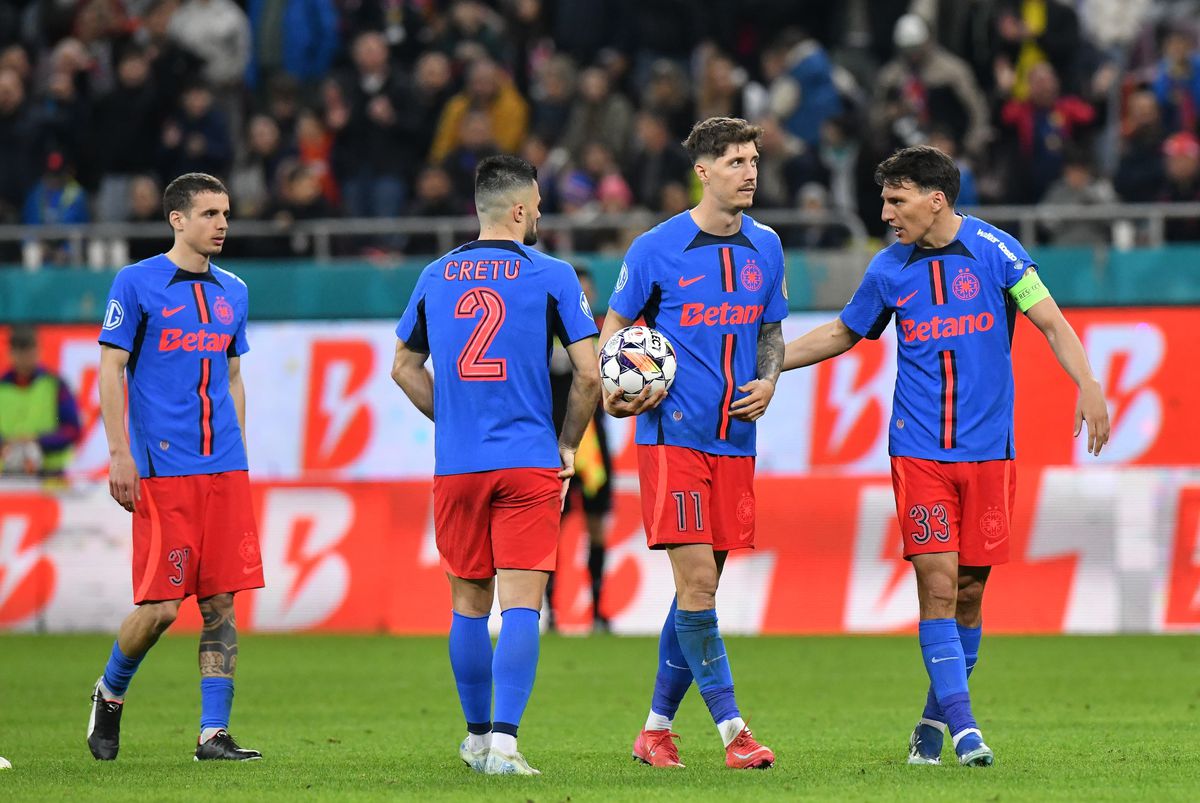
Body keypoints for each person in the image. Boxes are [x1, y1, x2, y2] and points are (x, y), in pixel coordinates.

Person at [781, 145, 1110, 766]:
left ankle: (932, 724)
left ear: (937, 199)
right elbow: (842, 333)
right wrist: (770, 363)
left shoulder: (997, 252)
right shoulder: (887, 269)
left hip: (989, 452)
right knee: (935, 582)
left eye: (896, 199)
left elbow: (1052, 323)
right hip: (919, 451)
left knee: (968, 592)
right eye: (884, 201)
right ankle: (967, 731)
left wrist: (1087, 384)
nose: (886, 213)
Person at [391, 155, 600, 775]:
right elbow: (589, 374)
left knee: (467, 604)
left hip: (458, 463)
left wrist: (453, 420)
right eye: (535, 204)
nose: (539, 213)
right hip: (529, 459)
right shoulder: (554, 274)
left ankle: (477, 740)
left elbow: (402, 366)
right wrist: (568, 446)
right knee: (521, 606)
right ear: (517, 208)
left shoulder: (435, 274)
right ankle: (506, 747)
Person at [599, 117, 786, 770]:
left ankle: (654, 730)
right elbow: (615, 328)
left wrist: (767, 379)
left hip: (735, 439)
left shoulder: (768, 247)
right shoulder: (657, 248)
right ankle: (735, 733)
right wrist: (614, 386)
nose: (750, 170)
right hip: (671, 438)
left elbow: (770, 332)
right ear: (703, 171)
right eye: (735, 161)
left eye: (753, 158)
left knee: (694, 595)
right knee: (700, 583)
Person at [87, 173, 263, 763]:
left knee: (220, 604)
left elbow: (233, 375)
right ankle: (110, 693)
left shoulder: (234, 291)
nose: (221, 224)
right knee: (161, 608)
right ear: (177, 220)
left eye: (226, 213)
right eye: (210, 213)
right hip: (163, 472)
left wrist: (238, 449)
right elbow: (111, 370)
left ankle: (212, 734)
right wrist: (119, 453)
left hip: (223, 470)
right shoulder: (136, 284)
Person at [547, 265, 613, 633]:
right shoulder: (550, 332)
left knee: (596, 525)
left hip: (593, 440)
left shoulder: (607, 330)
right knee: (551, 528)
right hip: (554, 437)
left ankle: (599, 612)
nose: (584, 299)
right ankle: (550, 611)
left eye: (587, 291)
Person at [0, 324, 81, 477]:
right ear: (10, 353)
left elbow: (72, 430)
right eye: (19, 351)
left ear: (38, 350)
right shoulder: (2, 386)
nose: (24, 357)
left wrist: (38, 441)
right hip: (6, 478)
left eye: (28, 350)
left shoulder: (55, 385)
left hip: (50, 476)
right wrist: (6, 444)